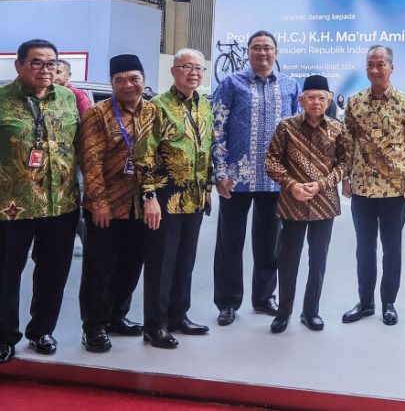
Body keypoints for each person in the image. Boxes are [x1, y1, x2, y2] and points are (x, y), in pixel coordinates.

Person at [0, 39, 80, 364]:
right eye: (36, 62)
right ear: (19, 65)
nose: (45, 69)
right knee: (5, 275)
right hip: (9, 206)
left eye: (51, 63)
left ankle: (42, 331)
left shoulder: (68, 99)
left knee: (53, 272)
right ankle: (4, 338)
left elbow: (79, 148)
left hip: (60, 204)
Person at [211, 30, 300, 327]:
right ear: (248, 51)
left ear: (276, 52)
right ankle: (227, 302)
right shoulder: (231, 84)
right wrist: (220, 173)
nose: (262, 53)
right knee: (229, 242)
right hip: (235, 179)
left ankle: (263, 298)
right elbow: (217, 130)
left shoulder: (289, 85)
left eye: (268, 48)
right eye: (257, 47)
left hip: (274, 181)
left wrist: (292, 177)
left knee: (269, 243)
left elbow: (295, 135)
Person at [135, 48, 214, 350]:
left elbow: (206, 150)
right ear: (173, 71)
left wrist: (208, 188)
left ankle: (178, 316)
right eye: (187, 67)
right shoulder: (157, 106)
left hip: (194, 195)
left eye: (199, 68)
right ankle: (155, 326)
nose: (194, 72)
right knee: (161, 263)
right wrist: (149, 196)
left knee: (185, 260)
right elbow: (143, 154)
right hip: (164, 196)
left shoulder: (204, 105)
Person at [340, 45, 405, 327]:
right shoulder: (354, 103)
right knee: (364, 249)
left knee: (392, 249)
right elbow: (347, 143)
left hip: (394, 190)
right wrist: (346, 177)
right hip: (363, 189)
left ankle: (389, 303)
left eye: (380, 64)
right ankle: (365, 303)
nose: (375, 70)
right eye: (371, 65)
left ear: (391, 67)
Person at [77, 54, 155, 352]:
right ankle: (94, 326)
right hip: (107, 206)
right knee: (99, 268)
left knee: (131, 265)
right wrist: (99, 202)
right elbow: (90, 161)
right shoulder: (98, 114)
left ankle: (117, 317)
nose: (127, 84)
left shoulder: (154, 112)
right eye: (120, 80)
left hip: (141, 205)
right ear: (112, 83)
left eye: (134, 78)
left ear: (143, 80)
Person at [265, 75, 349, 333]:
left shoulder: (337, 129)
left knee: (318, 261)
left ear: (329, 100)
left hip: (325, 204)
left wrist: (323, 184)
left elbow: (345, 163)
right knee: (287, 260)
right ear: (301, 100)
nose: (316, 102)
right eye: (310, 97)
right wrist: (292, 185)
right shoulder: (286, 127)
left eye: (321, 98)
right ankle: (283, 313)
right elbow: (271, 161)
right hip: (293, 204)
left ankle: (311, 311)